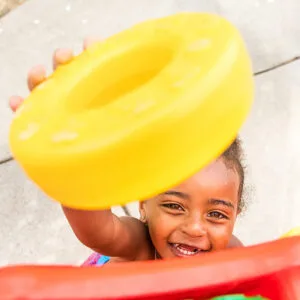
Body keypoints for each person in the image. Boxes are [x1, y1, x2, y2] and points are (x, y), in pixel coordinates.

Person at [9, 38, 245, 266]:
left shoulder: (233, 254)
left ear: (236, 213)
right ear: (143, 203)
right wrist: (73, 158)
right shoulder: (140, 246)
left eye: (217, 214)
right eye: (174, 206)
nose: (194, 228)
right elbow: (100, 232)